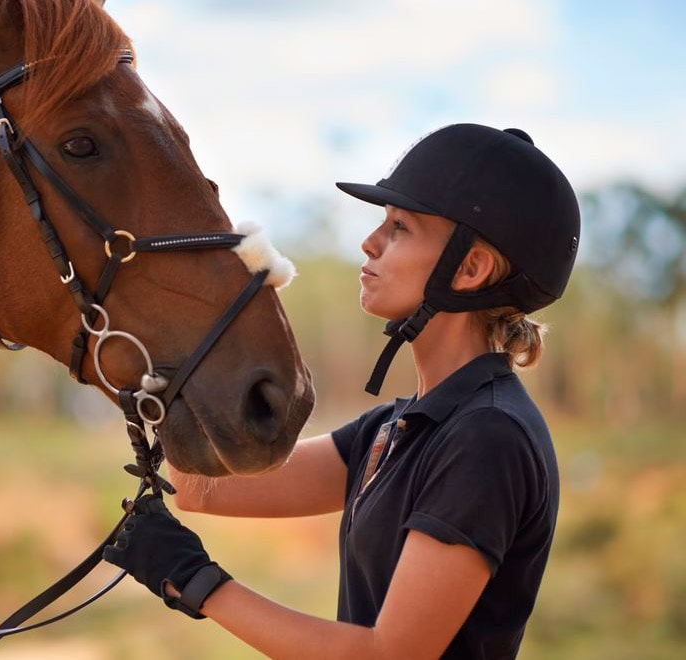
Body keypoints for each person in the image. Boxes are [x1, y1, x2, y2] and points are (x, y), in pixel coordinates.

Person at [103, 123, 580, 659]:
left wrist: (199, 583)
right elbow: (200, 489)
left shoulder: (488, 437)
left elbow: (389, 654)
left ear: (470, 268)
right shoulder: (394, 430)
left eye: (399, 227)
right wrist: (184, 332)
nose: (370, 242)